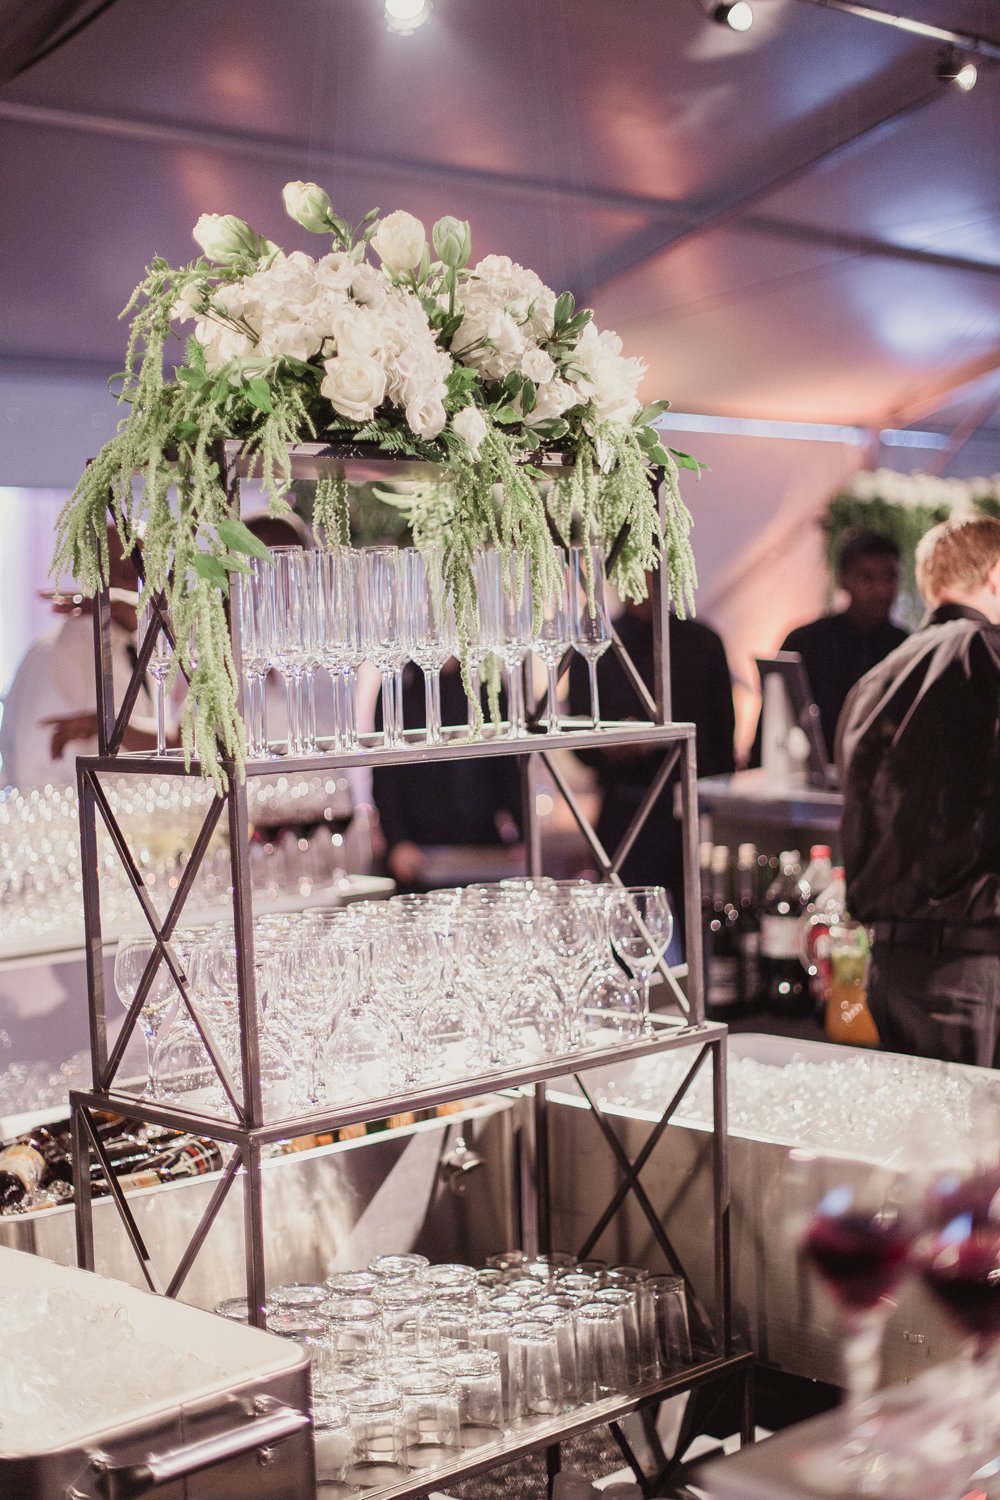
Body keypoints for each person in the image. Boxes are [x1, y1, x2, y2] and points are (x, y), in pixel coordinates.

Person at [837, 514, 1000, 1068]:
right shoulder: (992, 657)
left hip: (888, 967)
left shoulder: (875, 678)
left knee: (923, 1146)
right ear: (996, 576)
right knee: (980, 1149)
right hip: (975, 961)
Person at [567, 593, 735, 943]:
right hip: (625, 810)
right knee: (623, 937)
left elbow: (723, 744)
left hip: (691, 813)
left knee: (705, 936)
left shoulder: (703, 642)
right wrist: (616, 746)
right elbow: (578, 738)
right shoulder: (594, 644)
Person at [0, 528, 160, 789]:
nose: (150, 589)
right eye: (134, 574)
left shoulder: (141, 648)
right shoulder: (58, 654)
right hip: (82, 825)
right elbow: (34, 775)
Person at [371, 658, 522, 890]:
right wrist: (398, 841)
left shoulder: (484, 679)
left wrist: (522, 834)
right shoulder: (399, 683)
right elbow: (385, 773)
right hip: (421, 844)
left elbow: (507, 766)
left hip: (483, 840)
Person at [759, 531, 909, 763]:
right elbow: (772, 722)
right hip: (811, 782)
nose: (881, 590)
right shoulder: (805, 642)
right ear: (843, 580)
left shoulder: (908, 648)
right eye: (866, 579)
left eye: (889, 578)